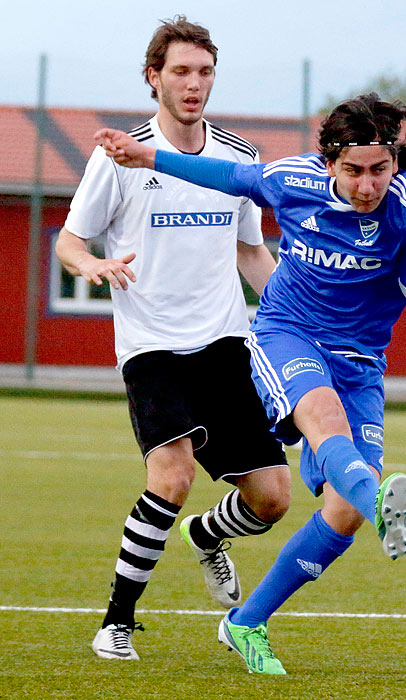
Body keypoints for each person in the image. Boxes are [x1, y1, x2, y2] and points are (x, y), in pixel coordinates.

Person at [94, 92, 406, 674]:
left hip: (361, 363)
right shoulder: (293, 180)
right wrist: (146, 157)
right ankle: (380, 502)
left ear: (394, 165)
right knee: (324, 421)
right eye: (354, 170)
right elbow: (227, 175)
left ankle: (245, 622)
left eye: (379, 170)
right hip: (288, 336)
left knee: (343, 514)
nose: (367, 185)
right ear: (330, 162)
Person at [55, 16, 291, 662]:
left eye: (204, 72)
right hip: (151, 346)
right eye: (180, 71)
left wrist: (295, 310)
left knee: (272, 498)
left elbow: (250, 251)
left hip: (223, 344)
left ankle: (208, 537)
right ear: (153, 77)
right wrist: (91, 266)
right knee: (174, 473)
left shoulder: (238, 158)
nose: (194, 84)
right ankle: (116, 623)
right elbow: (69, 240)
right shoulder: (121, 155)